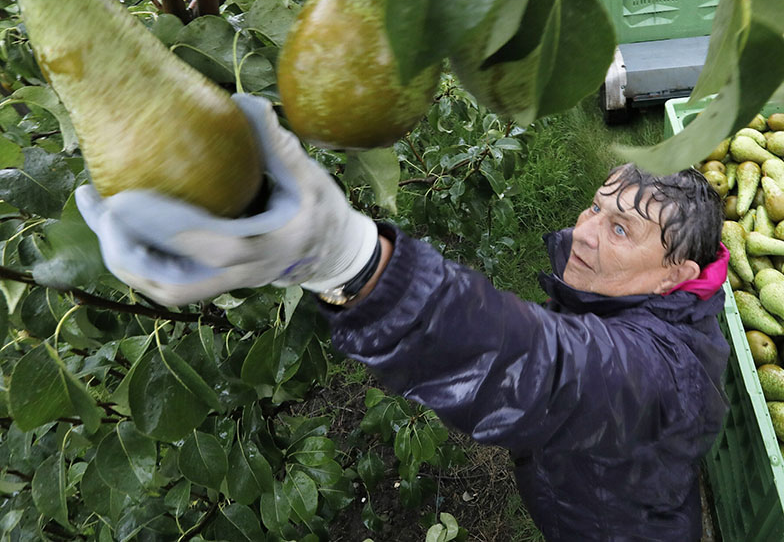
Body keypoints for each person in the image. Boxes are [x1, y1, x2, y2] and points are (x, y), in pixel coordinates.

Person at [77, 95, 733, 541]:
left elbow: (546, 370)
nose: (585, 230)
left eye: (620, 228)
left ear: (677, 271)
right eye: (595, 206)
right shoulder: (631, 295)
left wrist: (354, 263)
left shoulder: (666, 375)